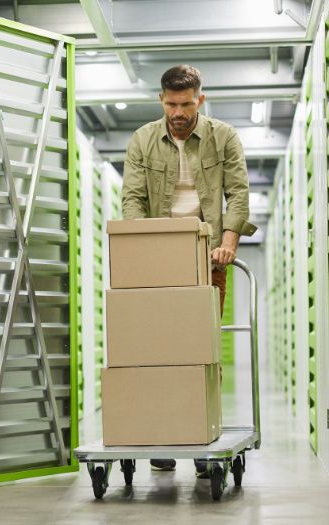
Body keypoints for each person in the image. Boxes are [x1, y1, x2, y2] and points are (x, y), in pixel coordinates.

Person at [120, 64, 257, 475]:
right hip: (158, 257)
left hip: (207, 254)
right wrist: (141, 251)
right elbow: (132, 199)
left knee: (203, 352)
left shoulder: (223, 136)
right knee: (156, 351)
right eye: (170, 104)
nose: (177, 112)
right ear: (161, 100)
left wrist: (229, 241)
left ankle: (201, 435)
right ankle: (163, 434)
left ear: (200, 98)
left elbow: (238, 192)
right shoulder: (143, 140)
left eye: (185, 103)